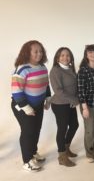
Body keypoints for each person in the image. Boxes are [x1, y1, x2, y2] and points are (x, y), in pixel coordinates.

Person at [11, 40, 51, 172]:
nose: (39, 54)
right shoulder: (22, 69)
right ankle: (27, 161)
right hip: (22, 106)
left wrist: (47, 98)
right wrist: (26, 107)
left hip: (38, 105)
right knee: (28, 132)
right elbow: (16, 91)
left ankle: (33, 153)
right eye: (35, 51)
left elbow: (46, 84)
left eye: (41, 51)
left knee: (36, 129)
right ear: (27, 53)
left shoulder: (42, 67)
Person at [49, 47, 79, 167]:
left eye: (67, 55)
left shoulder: (71, 69)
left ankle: (66, 148)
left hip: (70, 103)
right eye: (62, 55)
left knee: (74, 125)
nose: (65, 57)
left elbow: (75, 87)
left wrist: (75, 99)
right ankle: (62, 156)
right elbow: (58, 91)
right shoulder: (55, 71)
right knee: (62, 129)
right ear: (57, 58)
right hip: (60, 104)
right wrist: (74, 100)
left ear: (71, 57)